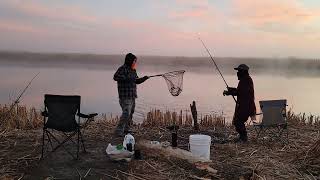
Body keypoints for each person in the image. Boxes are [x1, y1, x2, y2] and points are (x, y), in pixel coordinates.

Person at [113, 53, 149, 136]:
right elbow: (115, 77)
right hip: (124, 97)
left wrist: (144, 78)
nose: (135, 62)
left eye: (135, 61)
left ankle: (126, 130)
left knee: (130, 113)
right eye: (134, 61)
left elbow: (136, 81)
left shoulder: (133, 70)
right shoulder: (122, 69)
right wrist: (127, 78)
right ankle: (118, 132)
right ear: (130, 60)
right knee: (126, 113)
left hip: (132, 96)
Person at [223, 64, 256, 142]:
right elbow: (240, 91)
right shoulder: (245, 79)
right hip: (244, 106)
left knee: (238, 121)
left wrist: (229, 92)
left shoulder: (246, 80)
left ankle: (244, 138)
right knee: (238, 121)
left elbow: (240, 92)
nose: (237, 73)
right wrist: (231, 90)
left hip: (246, 106)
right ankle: (242, 137)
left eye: (239, 71)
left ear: (243, 72)